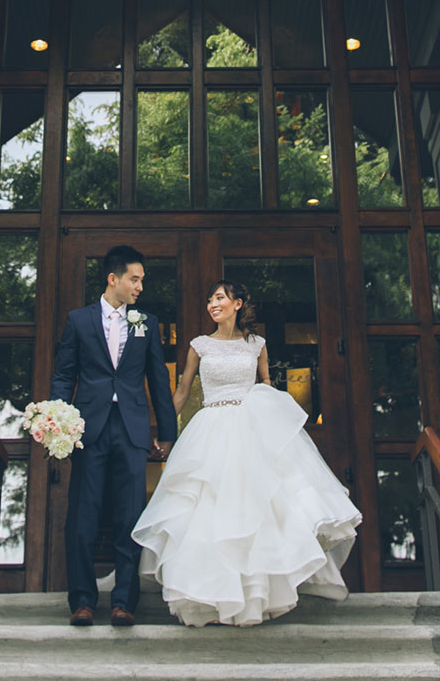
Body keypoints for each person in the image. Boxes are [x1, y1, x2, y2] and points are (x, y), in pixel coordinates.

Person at [133, 280, 362, 627]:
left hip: (249, 425)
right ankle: (207, 593)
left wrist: (279, 431)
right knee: (207, 507)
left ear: (237, 303)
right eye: (210, 298)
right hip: (209, 428)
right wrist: (161, 433)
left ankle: (255, 593)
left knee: (257, 508)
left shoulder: (257, 345)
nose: (213, 303)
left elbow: (266, 386)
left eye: (220, 298)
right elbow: (180, 393)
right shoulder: (199, 345)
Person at [50, 244, 178, 628]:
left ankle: (124, 601)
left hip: (133, 429)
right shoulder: (78, 321)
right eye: (134, 279)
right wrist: (59, 421)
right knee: (83, 518)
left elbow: (158, 379)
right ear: (113, 279)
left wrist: (167, 432)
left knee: (129, 518)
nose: (140, 286)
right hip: (90, 428)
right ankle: (83, 601)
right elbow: (64, 375)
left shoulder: (147, 323)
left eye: (141, 280)